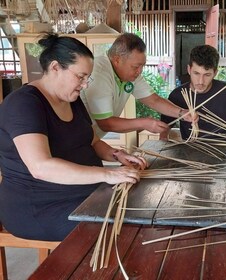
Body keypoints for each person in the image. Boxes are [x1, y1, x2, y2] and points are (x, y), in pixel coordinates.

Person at [0, 33, 147, 242]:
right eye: (81, 76)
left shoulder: (72, 99)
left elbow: (92, 141)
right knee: (121, 230)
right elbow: (41, 167)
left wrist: (117, 155)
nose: (85, 84)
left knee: (138, 207)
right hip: (40, 207)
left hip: (82, 193)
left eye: (88, 78)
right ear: (55, 68)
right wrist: (107, 174)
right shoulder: (24, 105)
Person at [80, 33, 193, 139]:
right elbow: (106, 123)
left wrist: (182, 113)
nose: (140, 71)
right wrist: (144, 123)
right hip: (76, 138)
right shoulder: (99, 72)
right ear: (117, 60)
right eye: (135, 67)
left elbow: (153, 100)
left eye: (142, 66)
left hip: (92, 138)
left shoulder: (130, 74)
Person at [160, 44, 226, 141]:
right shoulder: (178, 95)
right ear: (189, 69)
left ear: (215, 73)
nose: (201, 81)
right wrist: (163, 139)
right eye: (196, 73)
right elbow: (165, 125)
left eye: (207, 75)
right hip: (190, 151)